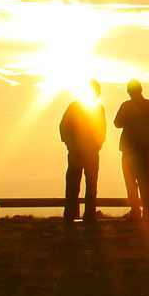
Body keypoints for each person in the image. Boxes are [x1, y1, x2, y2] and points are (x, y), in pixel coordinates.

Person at [59, 80, 106, 221]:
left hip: (86, 151)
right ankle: (75, 215)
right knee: (80, 184)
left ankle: (83, 215)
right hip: (80, 151)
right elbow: (64, 127)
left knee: (84, 184)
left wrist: (97, 145)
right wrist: (71, 145)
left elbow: (102, 130)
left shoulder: (91, 107)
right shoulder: (78, 107)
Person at [114, 79, 149, 219]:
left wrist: (130, 118)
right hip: (144, 150)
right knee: (145, 182)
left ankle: (136, 211)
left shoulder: (126, 106)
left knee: (131, 183)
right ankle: (147, 211)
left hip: (129, 150)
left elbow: (117, 123)